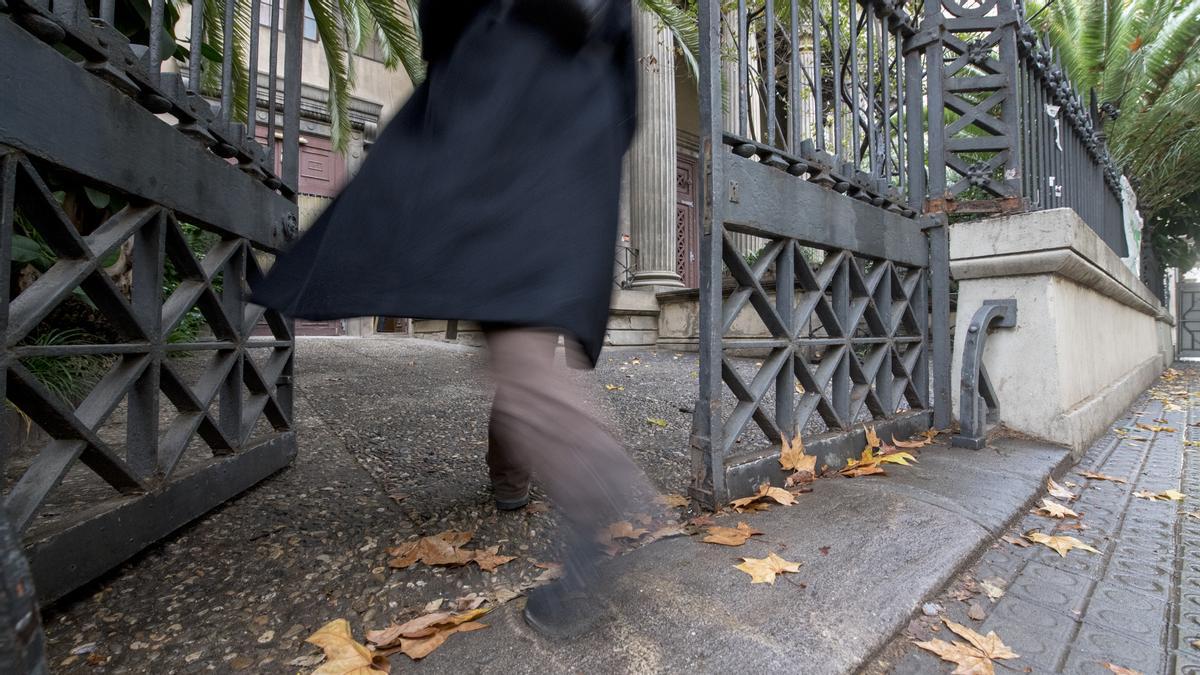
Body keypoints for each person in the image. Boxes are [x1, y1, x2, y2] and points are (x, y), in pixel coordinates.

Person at [250, 0, 659, 637]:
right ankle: (517, 479)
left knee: (514, 338)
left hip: (503, 101)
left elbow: (442, 23)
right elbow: (627, 78)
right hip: (576, 117)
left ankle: (594, 494)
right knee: (518, 326)